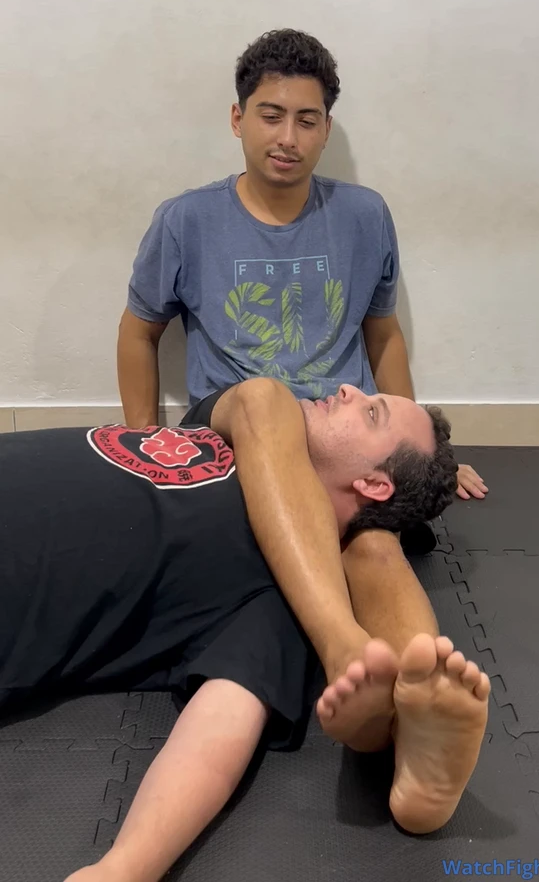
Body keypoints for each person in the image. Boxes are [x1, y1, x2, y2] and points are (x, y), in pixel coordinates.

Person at [0, 378, 489, 882]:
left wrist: (124, 867)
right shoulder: (239, 431)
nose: (348, 389)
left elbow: (219, 728)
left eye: (371, 414)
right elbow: (258, 398)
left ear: (374, 484)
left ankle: (410, 739)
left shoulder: (285, 598)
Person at [117, 28, 487, 503]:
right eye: (271, 116)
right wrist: (147, 450)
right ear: (238, 119)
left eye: (307, 121)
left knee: (377, 532)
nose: (288, 139)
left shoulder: (365, 216)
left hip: (342, 432)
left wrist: (419, 457)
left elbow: (383, 335)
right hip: (232, 429)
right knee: (263, 400)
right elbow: (138, 333)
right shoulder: (186, 220)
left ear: (326, 129)